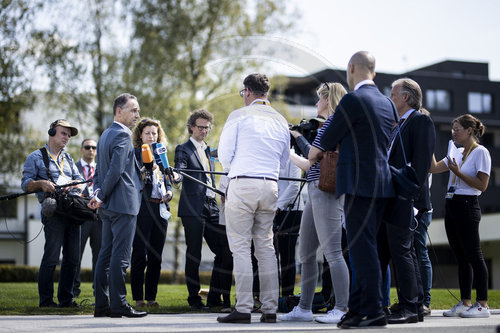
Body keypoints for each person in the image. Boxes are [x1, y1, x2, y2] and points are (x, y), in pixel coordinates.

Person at [319, 51, 396, 329]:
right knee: (365, 248)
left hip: (357, 183)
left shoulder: (353, 100)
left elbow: (327, 139)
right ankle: (358, 308)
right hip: (381, 184)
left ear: (351, 68)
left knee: (361, 250)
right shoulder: (387, 103)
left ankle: (373, 311)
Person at [217, 73, 290, 324]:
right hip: (270, 185)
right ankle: (270, 308)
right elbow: (283, 161)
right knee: (266, 248)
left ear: (247, 91)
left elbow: (224, 156)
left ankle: (244, 307)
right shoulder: (281, 120)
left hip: (243, 182)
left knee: (240, 248)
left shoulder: (239, 115)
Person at [279, 82, 350, 324]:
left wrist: (294, 140)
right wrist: (290, 146)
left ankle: (342, 308)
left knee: (332, 253)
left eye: (319, 99)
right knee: (306, 253)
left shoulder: (332, 124)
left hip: (326, 191)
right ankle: (304, 307)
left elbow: (311, 156)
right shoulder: (329, 125)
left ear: (329, 100)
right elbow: (310, 164)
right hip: (314, 189)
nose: (316, 103)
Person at [377, 78, 435, 324]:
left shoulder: (420, 121)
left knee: (403, 252)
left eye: (392, 94)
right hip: (390, 197)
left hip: (404, 198)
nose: (389, 98)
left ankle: (412, 307)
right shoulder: (397, 125)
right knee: (397, 253)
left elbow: (419, 167)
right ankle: (408, 303)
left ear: (406, 97)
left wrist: (405, 195)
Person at [88, 93, 147, 318]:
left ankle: (102, 305)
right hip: (122, 205)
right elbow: (115, 171)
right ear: (119, 111)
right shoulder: (123, 135)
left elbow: (101, 172)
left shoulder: (105, 135)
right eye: (133, 110)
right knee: (120, 257)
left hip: (108, 206)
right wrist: (100, 195)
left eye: (138, 111)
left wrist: (98, 194)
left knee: (105, 255)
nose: (137, 115)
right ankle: (119, 304)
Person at [431, 114, 491, 318]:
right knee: (461, 257)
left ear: (469, 131)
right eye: (452, 129)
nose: (453, 132)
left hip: (467, 205)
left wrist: (459, 172)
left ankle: (482, 304)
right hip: (452, 205)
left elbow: (482, 185)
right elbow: (433, 168)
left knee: (474, 255)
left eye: (457, 129)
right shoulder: (455, 152)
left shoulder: (480, 152)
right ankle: (465, 302)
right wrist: (426, 142)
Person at [21, 119, 85, 308]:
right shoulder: (36, 157)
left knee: (73, 257)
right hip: (52, 211)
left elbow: (79, 179)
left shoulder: (69, 158)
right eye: (63, 133)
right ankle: (46, 301)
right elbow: (25, 184)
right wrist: (41, 184)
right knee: (51, 256)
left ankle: (66, 299)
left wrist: (76, 185)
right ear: (51, 132)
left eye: (69, 135)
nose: (67, 138)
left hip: (71, 210)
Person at [174, 109, 233, 311]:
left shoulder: (209, 150)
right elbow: (180, 168)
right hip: (192, 207)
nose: (204, 131)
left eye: (207, 127)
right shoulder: (183, 149)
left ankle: (215, 298)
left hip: (212, 205)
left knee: (225, 251)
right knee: (194, 254)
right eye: (200, 127)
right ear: (191, 127)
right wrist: (176, 177)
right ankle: (194, 299)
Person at [130, 118, 173, 308]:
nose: (151, 136)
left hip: (161, 208)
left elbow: (168, 177)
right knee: (140, 254)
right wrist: (146, 170)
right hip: (142, 208)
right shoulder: (135, 154)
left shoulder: (162, 154)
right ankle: (138, 298)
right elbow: (132, 180)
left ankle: (151, 298)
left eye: (154, 133)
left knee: (156, 255)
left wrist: (170, 191)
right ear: (140, 135)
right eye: (147, 133)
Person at [73, 138, 102, 298]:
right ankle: (73, 291)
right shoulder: (74, 168)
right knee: (75, 255)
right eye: (87, 147)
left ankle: (99, 291)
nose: (91, 150)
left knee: (100, 256)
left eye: (93, 148)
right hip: (80, 217)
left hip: (98, 219)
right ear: (81, 149)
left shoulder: (101, 168)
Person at [274, 152, 303, 299]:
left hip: (291, 210)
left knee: (287, 254)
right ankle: (270, 295)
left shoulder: (293, 156)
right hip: (271, 208)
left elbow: (294, 186)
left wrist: (278, 206)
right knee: (270, 254)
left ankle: (287, 295)